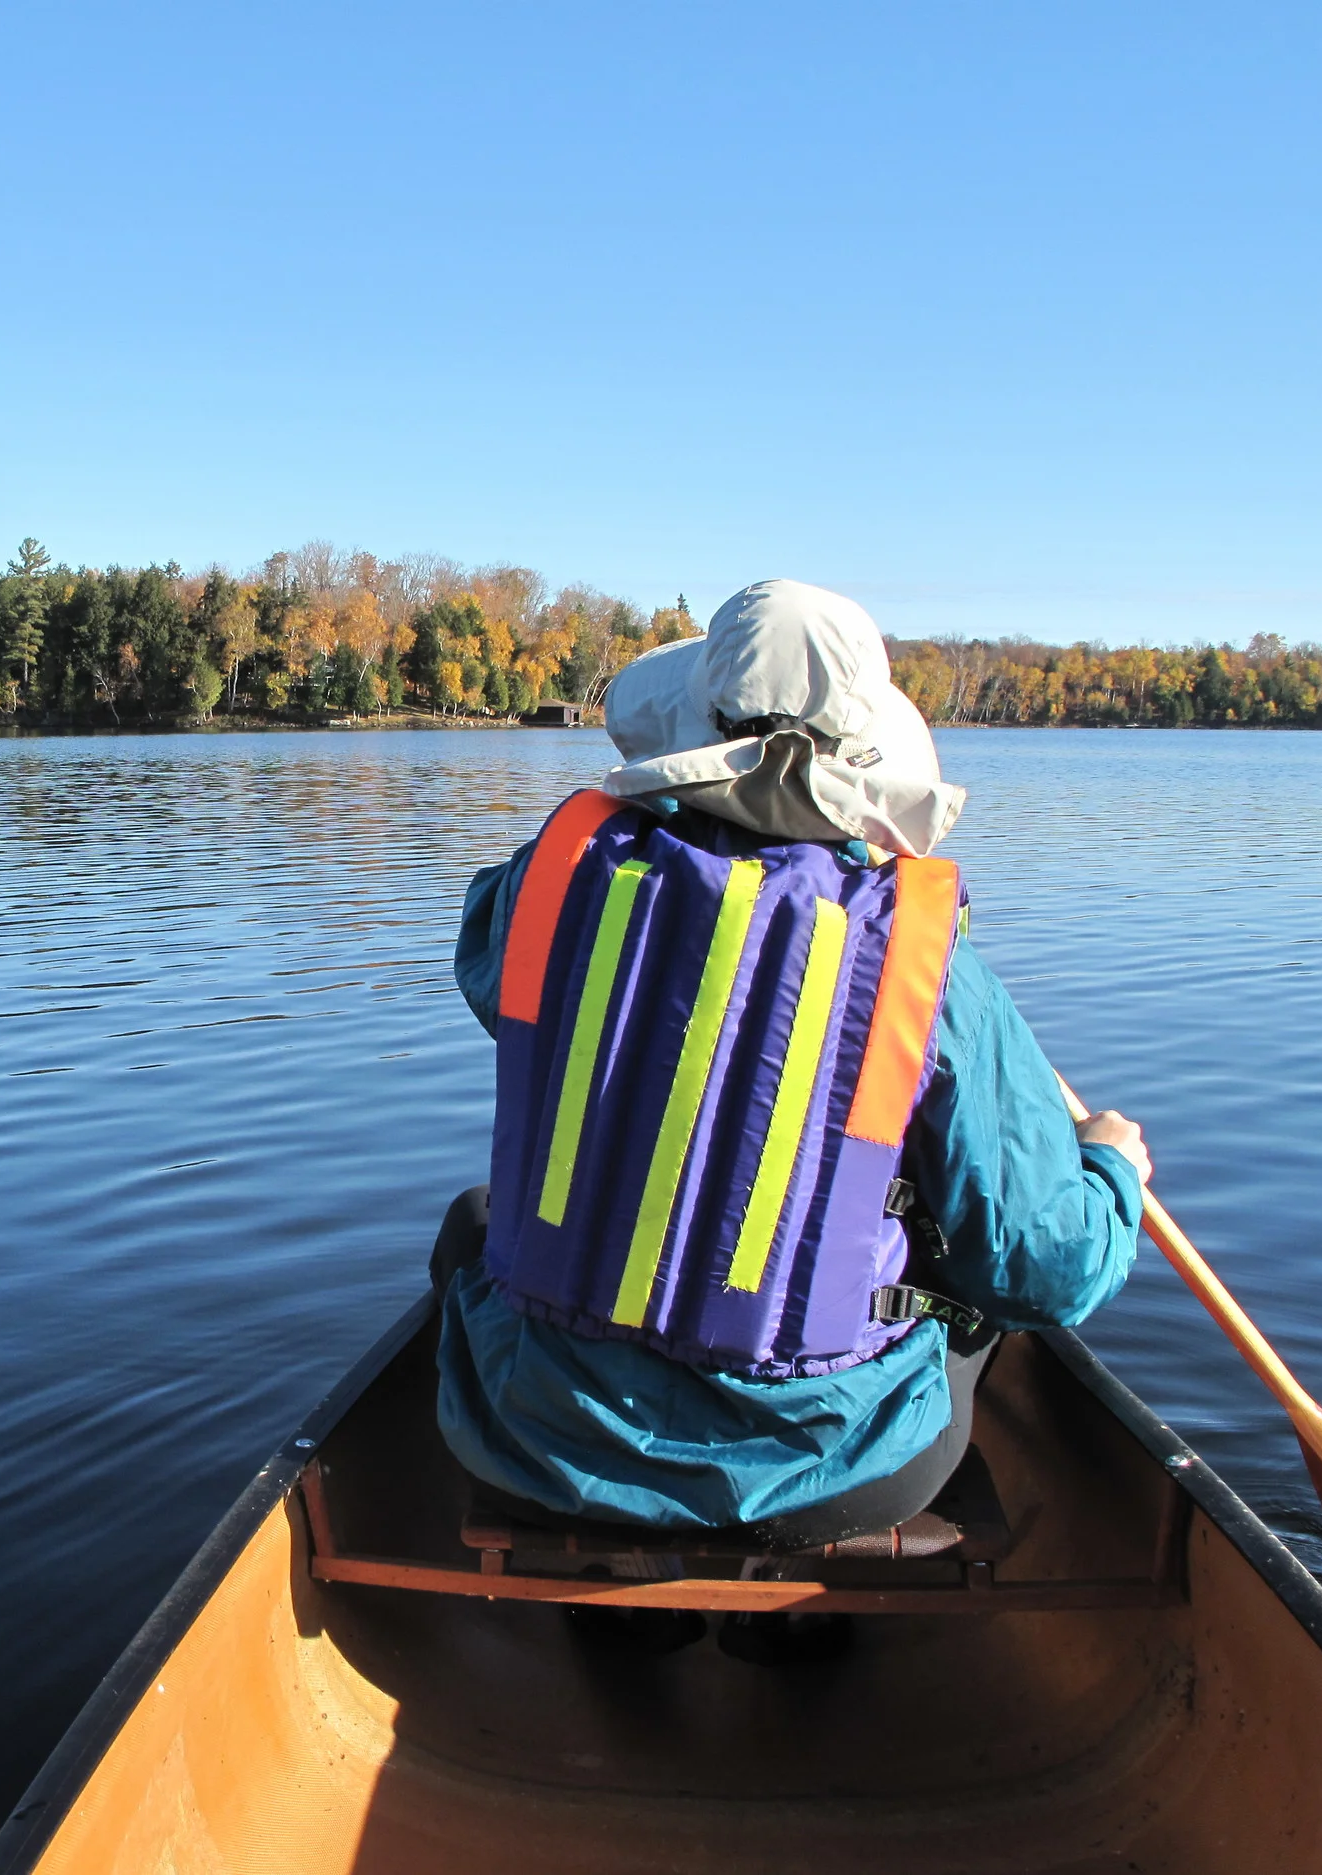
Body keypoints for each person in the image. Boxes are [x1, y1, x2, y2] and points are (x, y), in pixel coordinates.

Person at [432, 579, 1149, 1659]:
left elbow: (497, 968)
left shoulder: (541, 890)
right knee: (980, 1288)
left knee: (473, 1222)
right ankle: (797, 1650)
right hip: (833, 1472)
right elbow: (1043, 1273)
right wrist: (1108, 1170)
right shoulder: (923, 960)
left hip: (544, 1430)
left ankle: (615, 1640)